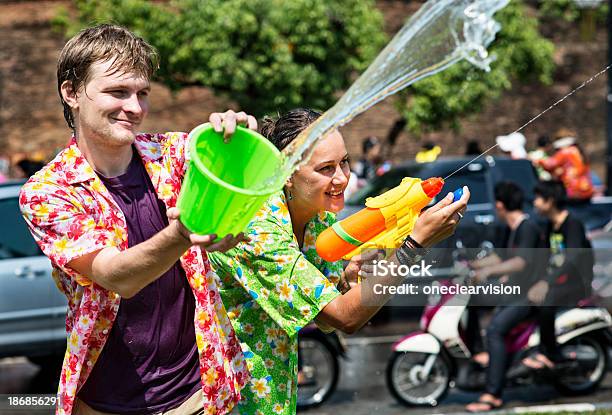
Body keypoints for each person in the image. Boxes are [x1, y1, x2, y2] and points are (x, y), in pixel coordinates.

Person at [19, 24, 254, 415]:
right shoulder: (48, 192)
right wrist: (184, 233)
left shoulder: (176, 154)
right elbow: (117, 276)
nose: (135, 107)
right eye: (117, 92)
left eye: (142, 93)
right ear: (71, 92)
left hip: (200, 395)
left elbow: (232, 216)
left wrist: (240, 144)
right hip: (107, 404)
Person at [209, 108, 469, 415]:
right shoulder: (258, 228)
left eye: (344, 162)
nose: (342, 178)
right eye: (326, 168)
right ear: (287, 176)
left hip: (271, 397)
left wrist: (349, 277)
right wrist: (414, 246)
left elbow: (325, 312)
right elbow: (343, 317)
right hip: (227, 399)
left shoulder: (317, 218)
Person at [466, 181, 546, 412]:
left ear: (500, 205)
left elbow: (520, 262)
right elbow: (501, 258)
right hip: (515, 293)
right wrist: (472, 264)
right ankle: (481, 354)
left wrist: (487, 271)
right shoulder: (514, 228)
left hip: (529, 296)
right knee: (474, 301)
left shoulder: (527, 228)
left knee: (495, 330)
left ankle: (493, 394)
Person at [522, 180, 594, 370]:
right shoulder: (549, 226)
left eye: (539, 198)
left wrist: (546, 283)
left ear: (550, 201)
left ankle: (552, 354)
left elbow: (571, 260)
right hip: (557, 281)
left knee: (547, 301)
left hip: (577, 284)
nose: (535, 202)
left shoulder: (573, 225)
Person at [535, 128, 594, 200]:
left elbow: (550, 164)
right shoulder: (579, 151)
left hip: (573, 191)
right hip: (586, 189)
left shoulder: (565, 152)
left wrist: (537, 161)